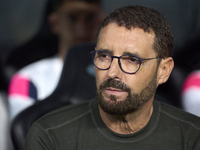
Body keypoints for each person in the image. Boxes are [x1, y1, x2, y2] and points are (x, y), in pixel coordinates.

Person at [25, 5, 200, 150]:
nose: (112, 72)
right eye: (104, 56)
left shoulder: (192, 137)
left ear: (163, 70)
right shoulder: (50, 136)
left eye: (132, 60)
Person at [8, 0, 103, 120]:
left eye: (90, 17)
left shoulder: (117, 74)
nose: (81, 29)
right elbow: (23, 133)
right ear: (55, 23)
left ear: (101, 21)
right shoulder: (27, 80)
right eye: (72, 18)